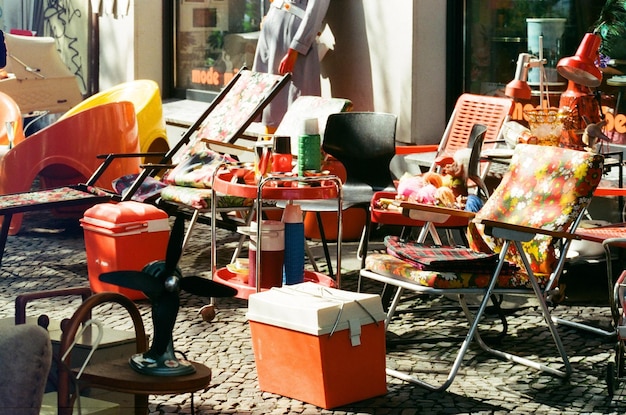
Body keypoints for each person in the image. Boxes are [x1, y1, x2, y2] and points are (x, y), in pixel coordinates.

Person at [253, 0, 330, 131]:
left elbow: (316, 10)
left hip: (292, 32)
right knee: (269, 93)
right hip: (274, 23)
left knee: (294, 98)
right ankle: (270, 146)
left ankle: (288, 148)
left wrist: (296, 47)